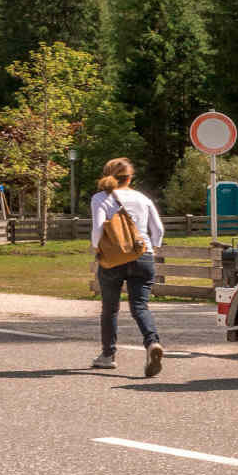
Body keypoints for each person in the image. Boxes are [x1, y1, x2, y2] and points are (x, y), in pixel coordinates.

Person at [89, 158, 166, 376]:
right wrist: (154, 248)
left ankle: (107, 355)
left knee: (110, 308)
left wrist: (97, 248)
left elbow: (97, 228)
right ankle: (152, 343)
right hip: (143, 256)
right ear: (130, 177)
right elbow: (158, 229)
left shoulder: (101, 198)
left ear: (107, 175)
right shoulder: (143, 198)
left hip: (113, 259)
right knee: (140, 307)